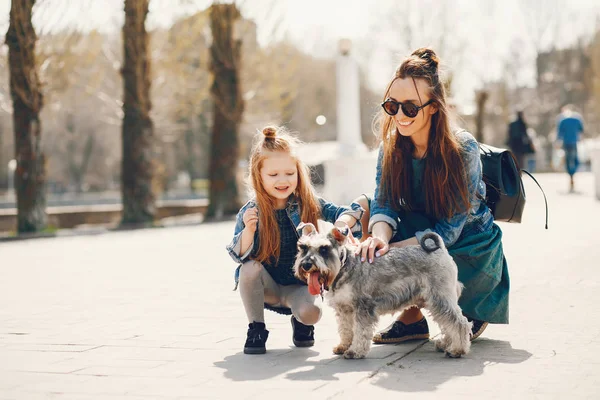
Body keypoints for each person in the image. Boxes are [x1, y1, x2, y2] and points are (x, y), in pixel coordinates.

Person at [356, 48, 510, 344]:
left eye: (410, 108)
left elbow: (449, 231)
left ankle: (471, 308)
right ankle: (412, 319)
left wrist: (396, 251)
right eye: (392, 105)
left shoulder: (463, 148)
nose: (400, 115)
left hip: (467, 247)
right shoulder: (390, 147)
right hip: (424, 240)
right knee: (369, 221)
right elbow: (384, 202)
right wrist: (380, 240)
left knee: (457, 328)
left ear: (434, 107)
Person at [226, 125, 364, 355]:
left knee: (312, 315)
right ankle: (256, 328)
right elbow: (236, 254)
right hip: (269, 287)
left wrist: (343, 224)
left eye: (289, 173)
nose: (283, 180)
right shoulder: (251, 211)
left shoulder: (307, 202)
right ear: (258, 176)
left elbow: (345, 212)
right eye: (273, 175)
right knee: (248, 269)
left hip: (301, 286)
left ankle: (300, 322)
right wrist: (249, 230)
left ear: (298, 172)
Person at [556, 104, 584, 192]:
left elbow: (559, 133)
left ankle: (570, 175)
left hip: (566, 143)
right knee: (575, 159)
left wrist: (558, 142)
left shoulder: (562, 119)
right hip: (574, 142)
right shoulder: (577, 118)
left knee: (568, 159)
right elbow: (581, 130)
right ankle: (573, 173)